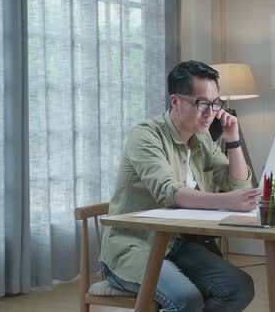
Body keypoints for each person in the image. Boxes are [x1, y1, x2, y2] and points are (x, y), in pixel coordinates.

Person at [100, 60, 261, 311]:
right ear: (175, 101)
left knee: (239, 286)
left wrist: (233, 140)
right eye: (202, 104)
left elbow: (237, 184)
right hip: (134, 246)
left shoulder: (202, 136)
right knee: (187, 299)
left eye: (215, 104)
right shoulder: (145, 135)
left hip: (176, 243)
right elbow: (170, 193)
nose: (211, 113)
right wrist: (228, 201)